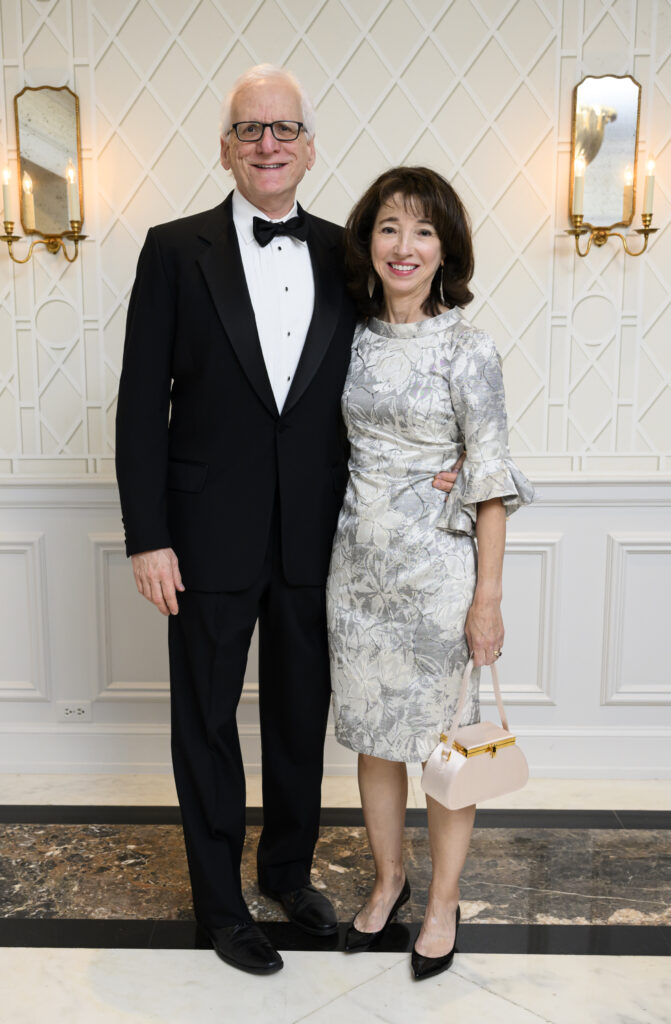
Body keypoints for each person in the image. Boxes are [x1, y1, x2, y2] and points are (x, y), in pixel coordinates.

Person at [115, 65, 459, 976]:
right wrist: (147, 535)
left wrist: (445, 452)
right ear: (226, 148)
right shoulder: (170, 249)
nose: (268, 143)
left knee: (301, 720)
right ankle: (223, 907)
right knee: (207, 725)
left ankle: (287, 877)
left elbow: (395, 362)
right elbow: (139, 403)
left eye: (285, 128)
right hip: (199, 539)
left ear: (307, 147)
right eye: (249, 129)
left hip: (322, 537)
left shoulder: (345, 254)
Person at [326, 166, 534, 980]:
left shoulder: (469, 347)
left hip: (441, 578)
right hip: (357, 567)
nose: (402, 245)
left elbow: (490, 476)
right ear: (367, 241)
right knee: (376, 745)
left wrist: (487, 599)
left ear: (445, 246)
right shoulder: (348, 335)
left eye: (420, 230)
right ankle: (389, 880)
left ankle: (441, 900)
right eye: (387, 227)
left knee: (448, 750)